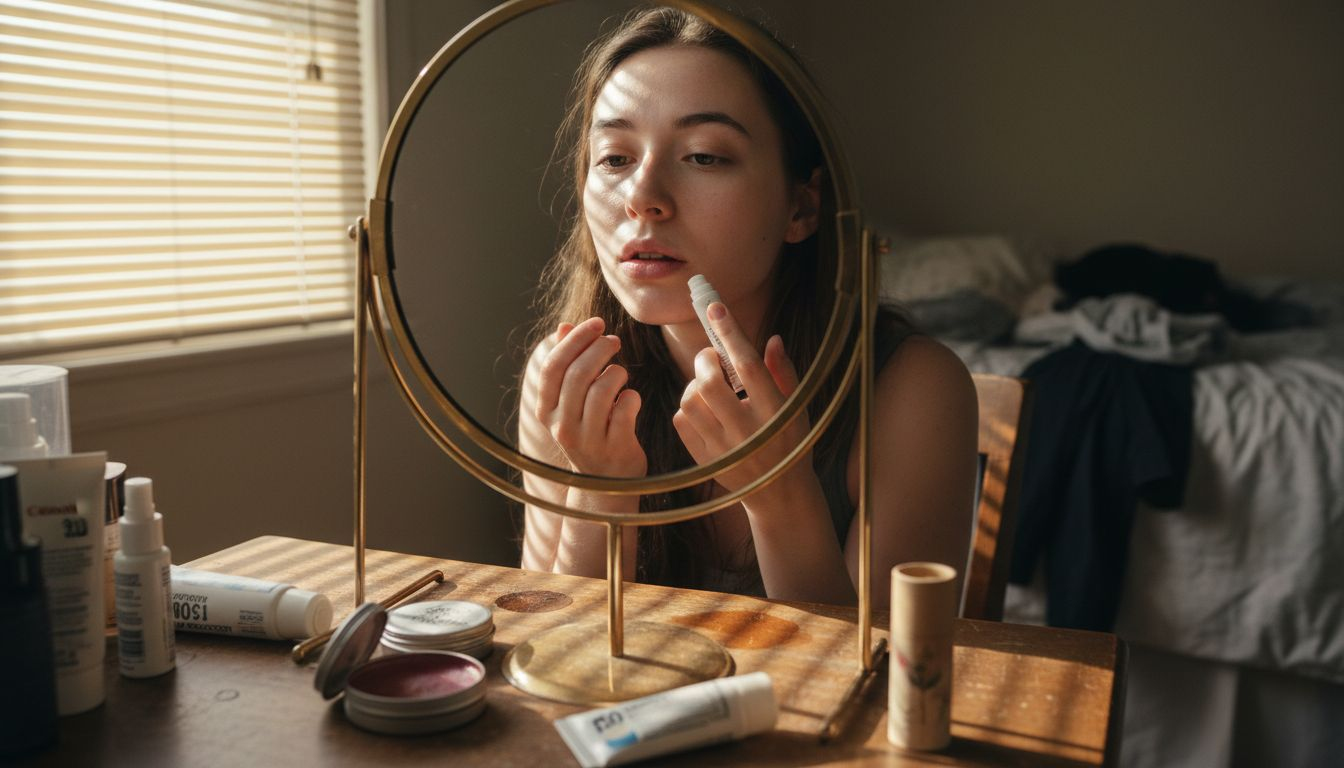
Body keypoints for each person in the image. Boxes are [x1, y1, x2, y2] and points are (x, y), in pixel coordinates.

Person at [518, 7, 977, 607]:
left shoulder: (910, 389)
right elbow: (560, 643)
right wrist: (600, 490)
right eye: (614, 158)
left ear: (801, 208)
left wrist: (781, 493)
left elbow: (888, 663)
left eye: (704, 156)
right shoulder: (571, 380)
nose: (643, 197)